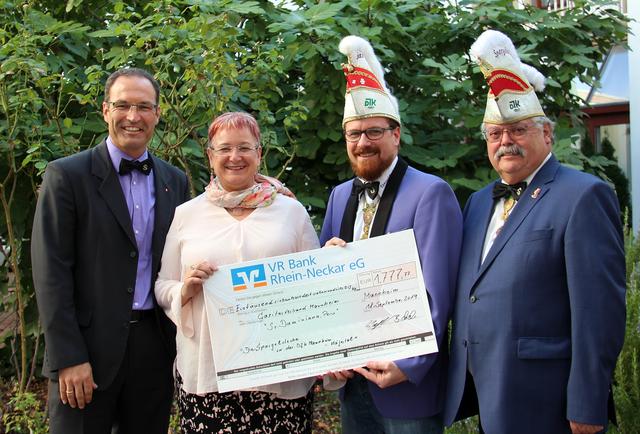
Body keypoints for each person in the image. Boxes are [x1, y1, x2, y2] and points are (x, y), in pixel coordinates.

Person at [444, 30, 626, 434]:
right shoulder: (477, 203)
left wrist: (588, 403)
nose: (505, 141)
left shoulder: (584, 196)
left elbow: (600, 313)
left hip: (548, 399)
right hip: (488, 392)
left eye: (518, 130)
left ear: (547, 134)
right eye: (495, 134)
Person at [31, 67, 190, 434]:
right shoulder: (66, 176)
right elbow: (50, 272)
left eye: (144, 107)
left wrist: (265, 194)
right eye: (123, 105)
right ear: (105, 110)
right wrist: (68, 357)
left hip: (153, 350)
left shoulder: (174, 181)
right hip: (87, 351)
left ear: (157, 113)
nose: (133, 117)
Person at [320, 35, 463, 434]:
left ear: (396, 135)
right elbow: (323, 289)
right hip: (354, 382)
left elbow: (439, 293)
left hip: (405, 386)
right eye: (354, 134)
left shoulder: (430, 193)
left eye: (374, 132)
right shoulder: (338, 196)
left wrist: (409, 364)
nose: (363, 142)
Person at [154, 111, 320, 434]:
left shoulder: (291, 212)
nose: (235, 157)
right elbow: (163, 285)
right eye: (224, 148)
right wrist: (184, 290)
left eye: (244, 147)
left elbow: (316, 283)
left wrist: (334, 258)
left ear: (259, 154)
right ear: (210, 156)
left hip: (280, 378)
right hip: (209, 375)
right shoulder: (187, 214)